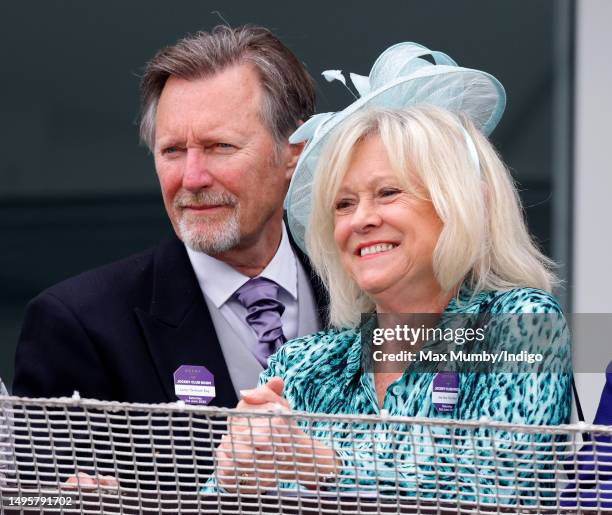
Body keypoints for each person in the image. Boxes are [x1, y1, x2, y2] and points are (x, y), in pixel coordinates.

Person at [209, 42, 571, 504]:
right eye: (344, 204)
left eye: (387, 193)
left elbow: (493, 494)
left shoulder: (520, 325)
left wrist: (322, 466)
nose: (361, 220)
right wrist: (231, 480)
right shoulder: (301, 366)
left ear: (456, 203)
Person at [12, 25, 327, 406]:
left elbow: (417, 439)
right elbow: (60, 468)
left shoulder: (374, 297)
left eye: (220, 147)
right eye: (173, 151)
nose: (191, 179)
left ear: (294, 149)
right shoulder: (78, 326)